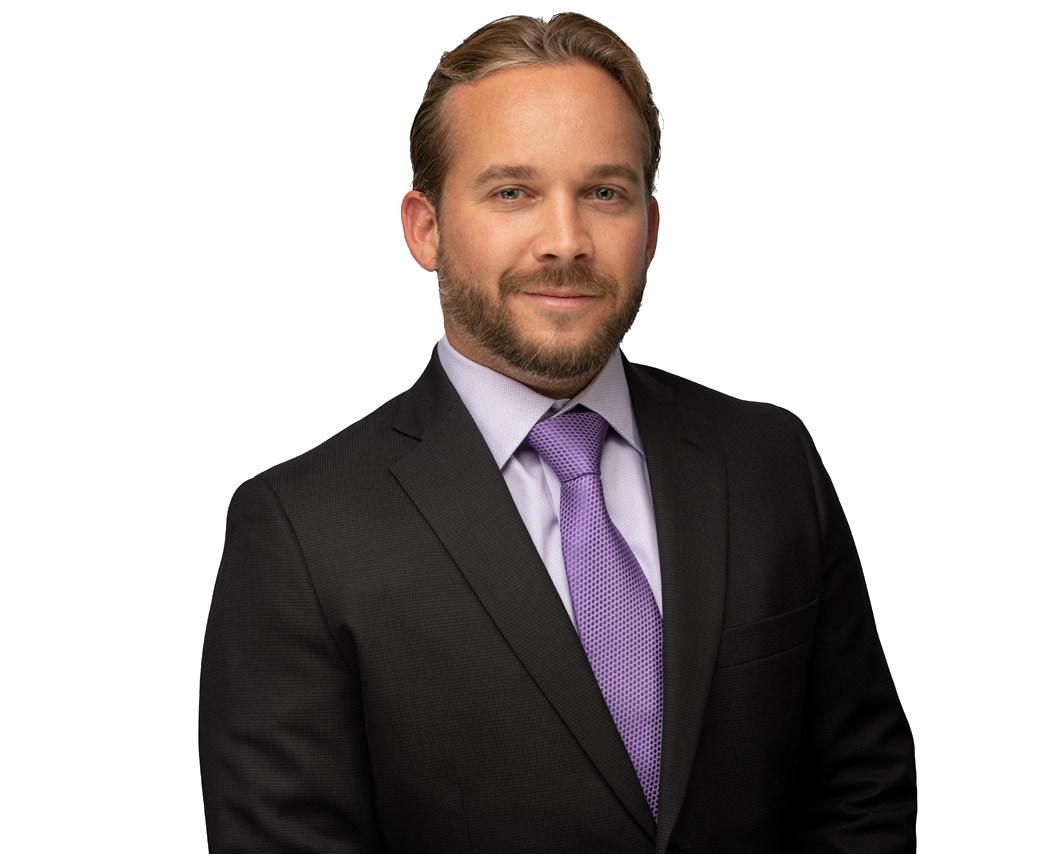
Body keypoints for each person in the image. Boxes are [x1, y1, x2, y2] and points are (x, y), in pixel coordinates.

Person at [198, 12, 916, 853]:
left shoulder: (768, 461)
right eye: (513, 192)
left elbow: (861, 790)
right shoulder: (302, 532)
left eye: (605, 193)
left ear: (651, 226)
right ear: (425, 228)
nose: (566, 242)